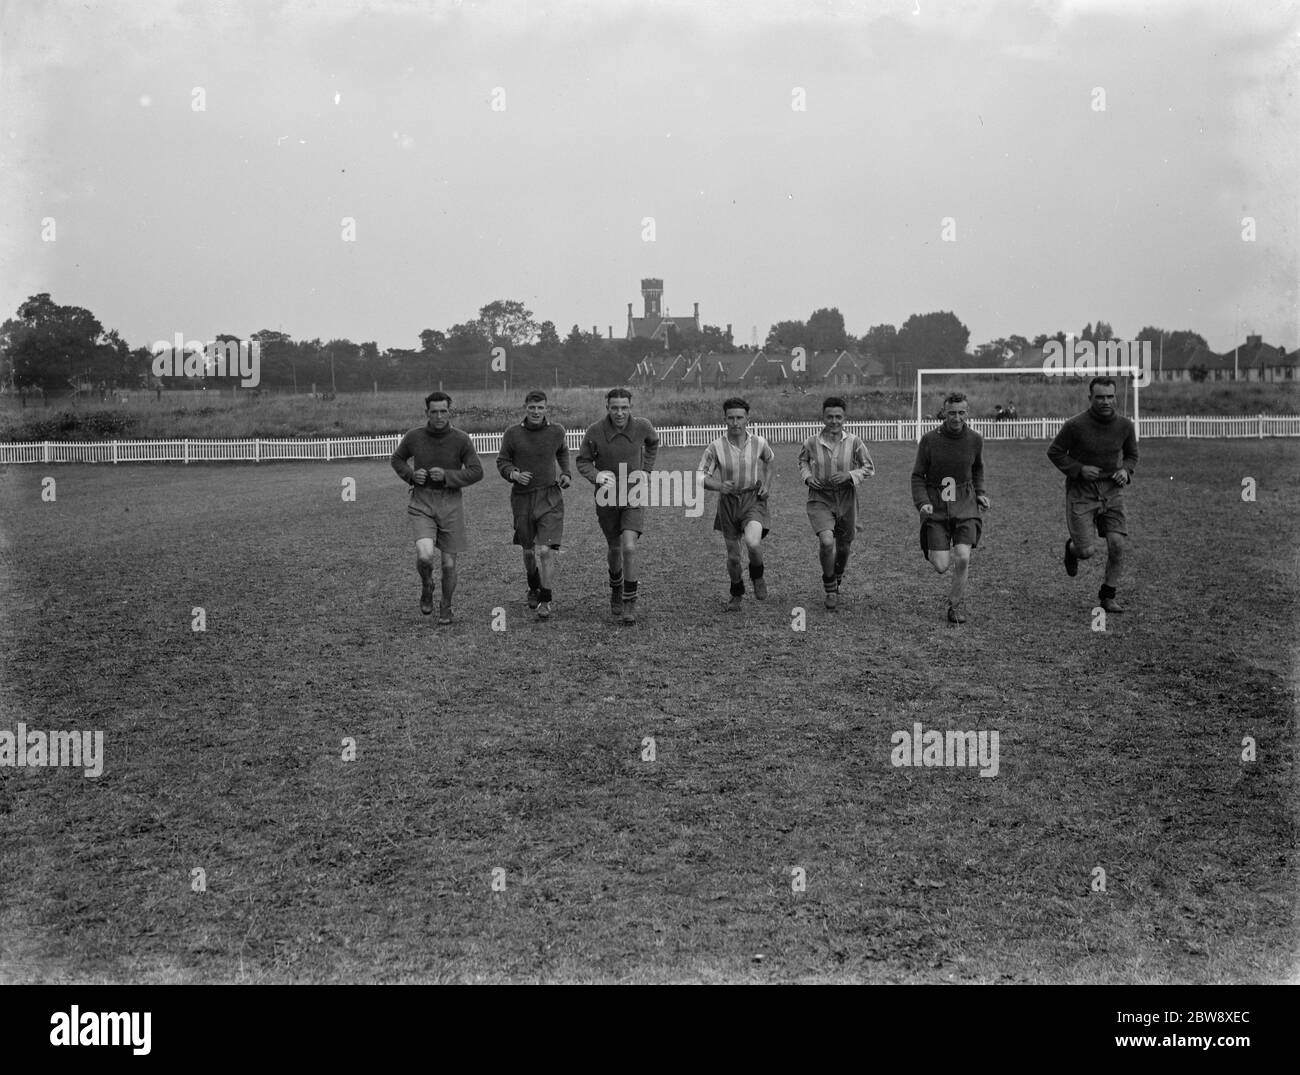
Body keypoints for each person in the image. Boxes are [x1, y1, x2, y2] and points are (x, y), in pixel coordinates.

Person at [390, 391, 484, 624]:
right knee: (425, 556)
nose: (439, 416)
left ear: (450, 412)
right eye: (434, 412)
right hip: (422, 502)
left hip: (451, 504)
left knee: (448, 563)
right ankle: (426, 584)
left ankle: (446, 605)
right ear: (427, 413)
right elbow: (397, 459)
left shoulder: (461, 439)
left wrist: (447, 476)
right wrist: (412, 475)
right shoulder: (414, 436)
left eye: (443, 411)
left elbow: (476, 471)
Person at [1047, 377, 1138, 614]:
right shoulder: (1075, 425)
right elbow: (1055, 451)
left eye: (1110, 396)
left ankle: (1108, 595)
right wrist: (1079, 469)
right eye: (1100, 397)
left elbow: (1131, 456)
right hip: (1082, 492)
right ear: (1090, 398)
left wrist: (1125, 471)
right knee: (1086, 552)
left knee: (1117, 544)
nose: (1106, 401)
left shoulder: (1125, 426)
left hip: (1112, 490)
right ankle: (1072, 549)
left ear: (1115, 397)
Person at [576, 387, 660, 625]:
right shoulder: (595, 431)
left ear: (630, 407)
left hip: (633, 494)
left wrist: (646, 470)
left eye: (624, 407)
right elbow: (583, 460)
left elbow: (653, 443)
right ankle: (616, 587)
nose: (620, 413)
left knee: (629, 547)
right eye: (615, 408)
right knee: (614, 549)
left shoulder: (642, 426)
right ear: (607, 408)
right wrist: (596, 475)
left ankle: (629, 602)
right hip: (607, 498)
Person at [911, 392, 989, 624]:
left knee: (963, 557)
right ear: (944, 413)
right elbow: (917, 475)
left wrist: (981, 494)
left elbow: (978, 469)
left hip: (965, 505)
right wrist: (923, 502)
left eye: (961, 412)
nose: (957, 417)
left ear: (968, 413)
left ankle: (955, 607)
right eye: (952, 413)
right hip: (936, 507)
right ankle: (931, 540)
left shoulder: (975, 439)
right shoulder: (929, 440)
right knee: (941, 566)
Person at [496, 390, 572, 620]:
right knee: (529, 552)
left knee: (546, 550)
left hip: (550, 496)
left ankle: (545, 600)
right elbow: (502, 461)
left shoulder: (556, 431)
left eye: (540, 408)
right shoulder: (512, 434)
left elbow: (562, 451)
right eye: (532, 408)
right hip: (522, 498)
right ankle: (533, 585)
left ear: (546, 409)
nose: (536, 412)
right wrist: (514, 474)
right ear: (525, 408)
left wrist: (566, 473)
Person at [798, 396, 875, 610]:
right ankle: (830, 587)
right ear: (823, 417)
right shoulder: (812, 442)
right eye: (829, 416)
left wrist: (850, 475)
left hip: (846, 498)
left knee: (843, 546)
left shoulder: (855, 442)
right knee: (826, 541)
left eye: (838, 417)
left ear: (845, 418)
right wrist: (808, 477)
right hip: (820, 497)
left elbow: (868, 467)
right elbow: (802, 460)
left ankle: (837, 576)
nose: (834, 421)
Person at [698, 398, 774, 611]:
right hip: (729, 504)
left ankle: (757, 575)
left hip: (752, 500)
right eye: (731, 418)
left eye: (739, 417)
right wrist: (719, 486)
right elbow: (701, 476)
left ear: (747, 419)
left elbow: (769, 461)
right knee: (733, 556)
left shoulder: (759, 443)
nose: (735, 422)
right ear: (724, 419)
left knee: (752, 542)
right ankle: (736, 592)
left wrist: (766, 485)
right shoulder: (716, 447)